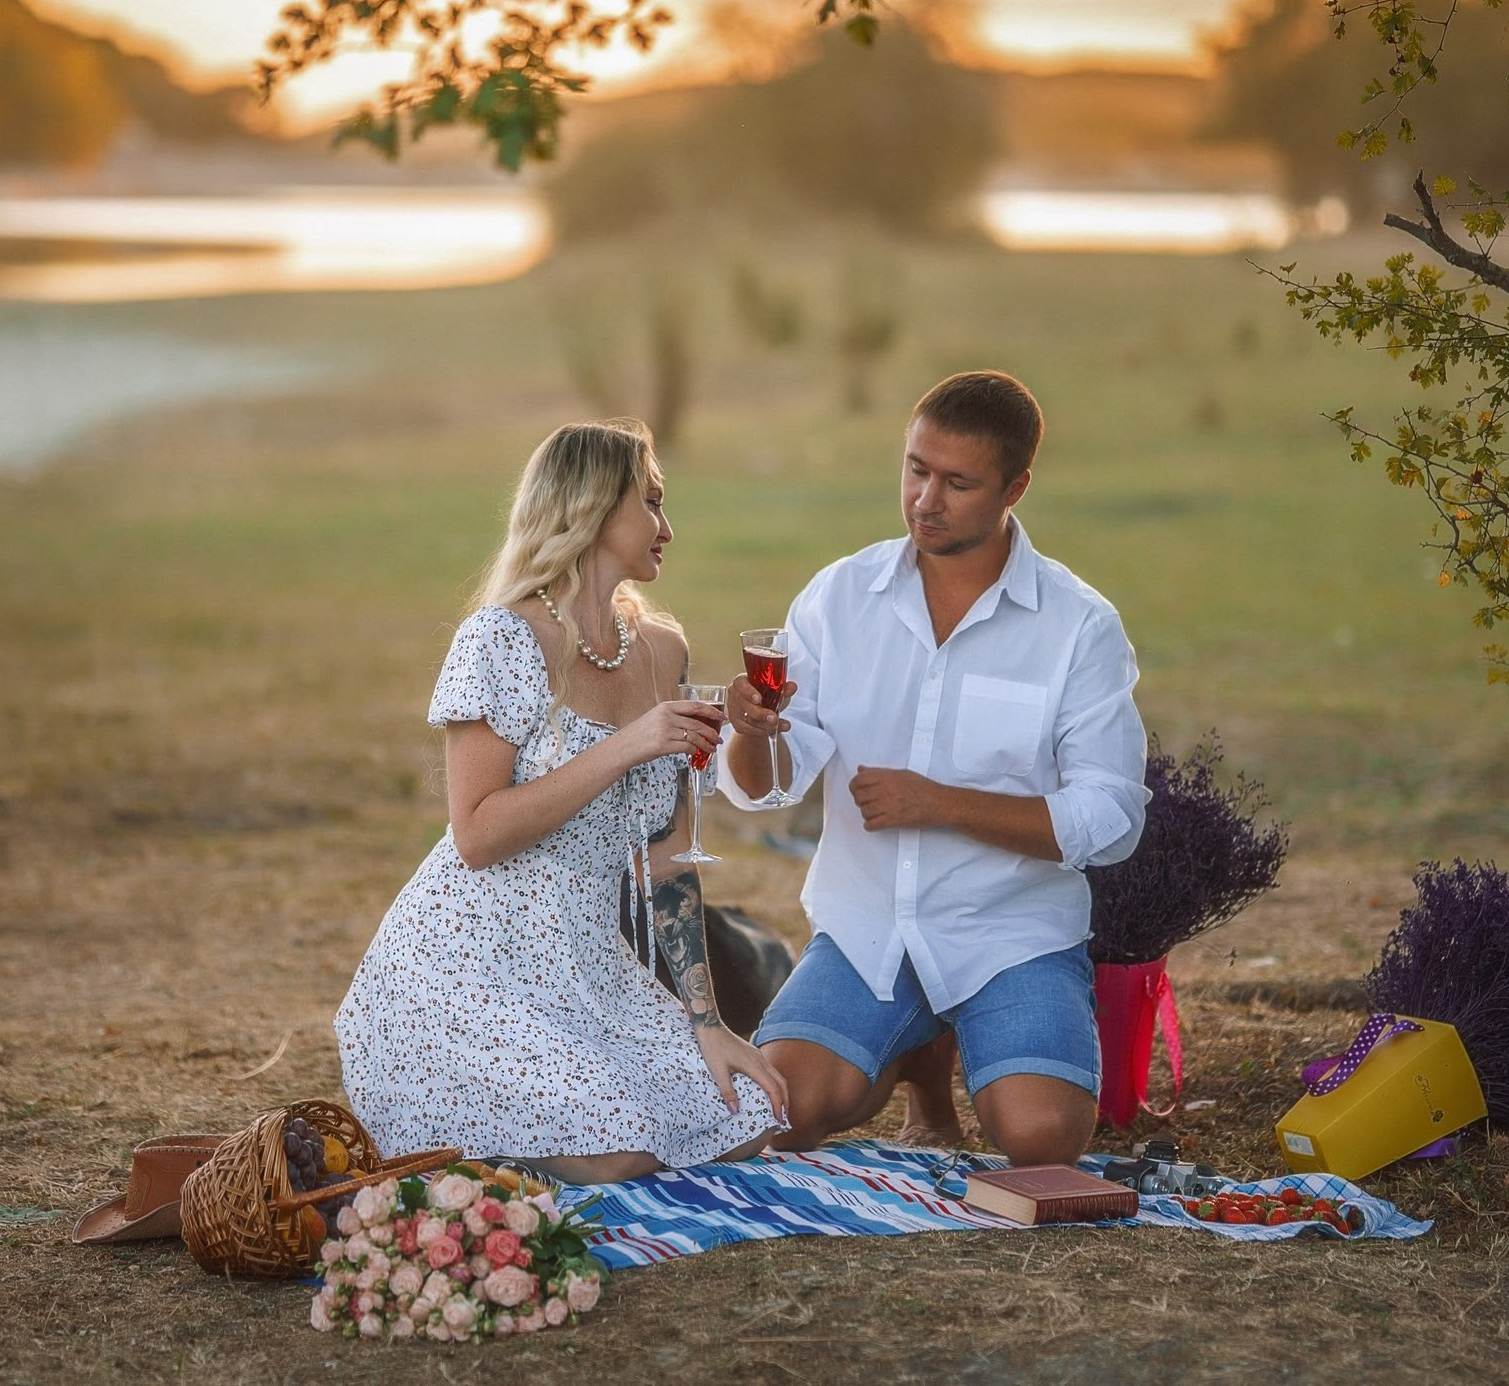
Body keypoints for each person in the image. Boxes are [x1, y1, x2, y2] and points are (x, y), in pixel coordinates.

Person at [335, 419, 787, 1184]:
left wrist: (708, 1023)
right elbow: (477, 836)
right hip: (466, 968)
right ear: (593, 509)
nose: (667, 527)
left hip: (592, 968)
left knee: (748, 1117)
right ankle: (459, 1131)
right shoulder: (500, 639)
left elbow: (670, 859)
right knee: (624, 1148)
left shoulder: (663, 651)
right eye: (650, 503)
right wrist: (626, 745)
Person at [719, 371, 1149, 1166]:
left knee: (1040, 1140)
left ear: (1017, 486)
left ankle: (955, 1031)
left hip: (1009, 934)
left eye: (958, 483)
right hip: (868, 927)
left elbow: (1113, 818)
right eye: (916, 469)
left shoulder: (1078, 626)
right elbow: (766, 783)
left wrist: (944, 804)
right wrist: (752, 732)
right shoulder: (838, 597)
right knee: (769, 1116)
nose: (926, 499)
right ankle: (914, 1058)